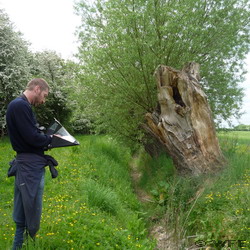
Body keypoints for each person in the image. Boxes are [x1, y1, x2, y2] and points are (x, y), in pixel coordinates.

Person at [6, 78, 57, 249]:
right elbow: (31, 137)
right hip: (29, 168)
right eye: (44, 95)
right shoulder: (20, 105)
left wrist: (44, 138)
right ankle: (27, 246)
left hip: (27, 166)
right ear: (37, 89)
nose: (44, 100)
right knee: (30, 216)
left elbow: (32, 134)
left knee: (23, 216)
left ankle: (21, 246)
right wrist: (51, 139)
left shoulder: (22, 106)